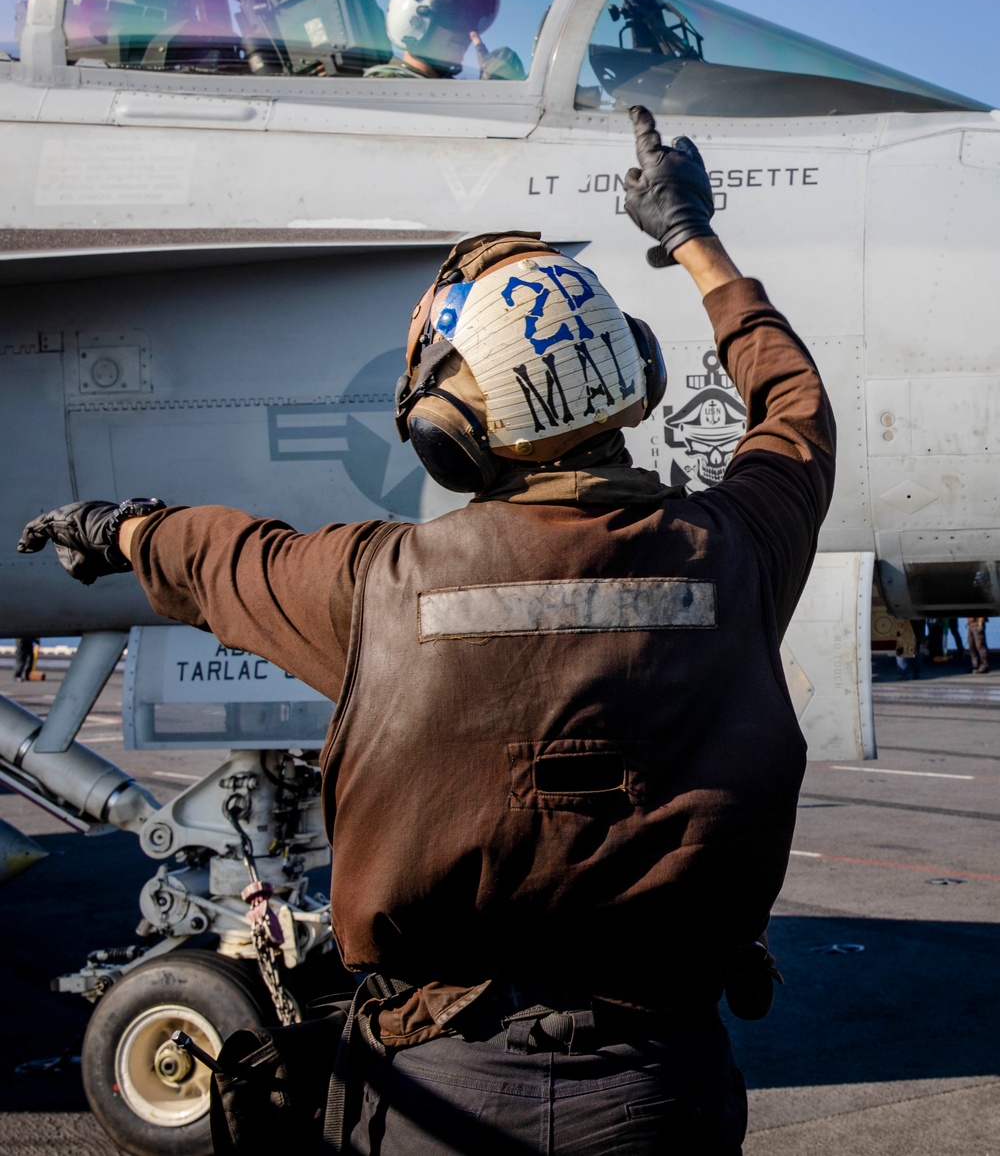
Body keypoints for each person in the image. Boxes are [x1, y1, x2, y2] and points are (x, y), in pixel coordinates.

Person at [17, 107, 835, 1155]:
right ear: (631, 375)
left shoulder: (376, 585)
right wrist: (690, 236)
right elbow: (793, 407)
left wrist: (117, 528)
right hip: (657, 1092)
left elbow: (219, 556)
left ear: (448, 438)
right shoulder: (737, 548)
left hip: (436, 1098)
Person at [365, 0, 525, 81]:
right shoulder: (383, 90)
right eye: (455, 16)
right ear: (415, 19)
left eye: (472, 21)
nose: (468, 32)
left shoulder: (448, 92)